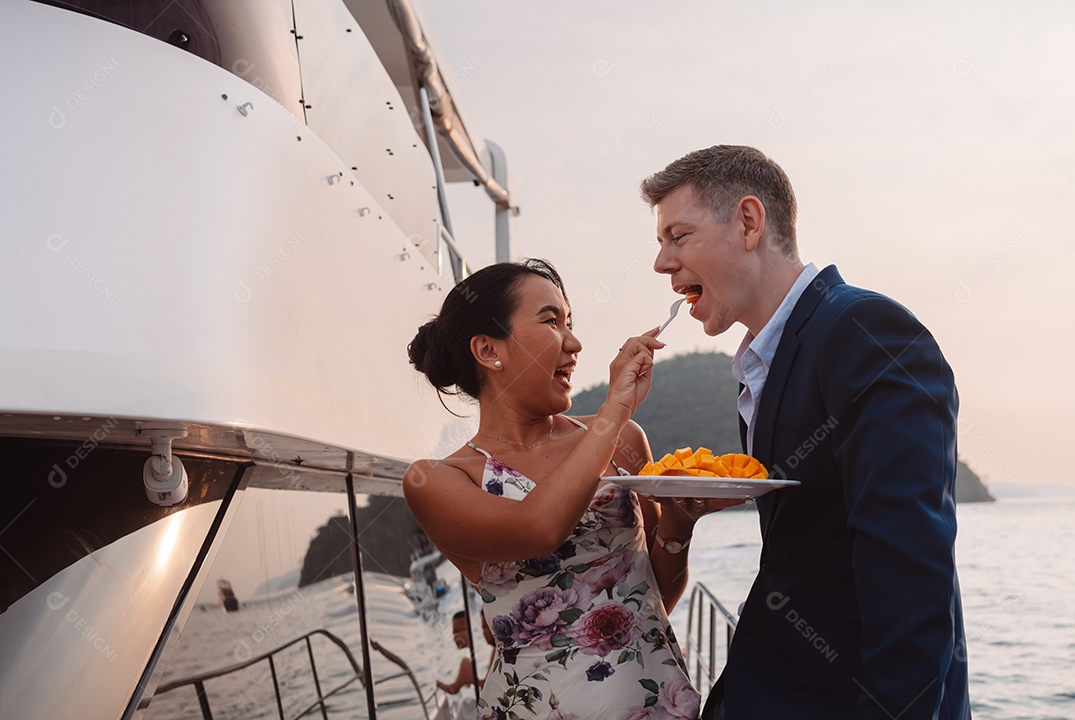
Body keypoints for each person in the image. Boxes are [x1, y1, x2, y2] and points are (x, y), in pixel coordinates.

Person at [641, 145, 971, 720]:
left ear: (748, 222)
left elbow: (910, 578)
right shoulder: (760, 363)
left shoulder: (867, 331)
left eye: (679, 235)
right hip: (769, 685)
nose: (662, 262)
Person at [405, 259, 739, 720]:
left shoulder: (624, 440)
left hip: (655, 703)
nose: (576, 343)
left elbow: (655, 594)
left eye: (571, 322)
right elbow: (537, 527)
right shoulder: (439, 480)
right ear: (487, 349)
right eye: (551, 321)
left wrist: (679, 526)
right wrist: (615, 408)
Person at [437, 611, 495, 695]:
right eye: (453, 633)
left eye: (457, 631)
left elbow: (487, 686)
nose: (455, 636)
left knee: (465, 662)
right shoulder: (493, 651)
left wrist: (467, 676)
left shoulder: (496, 651)